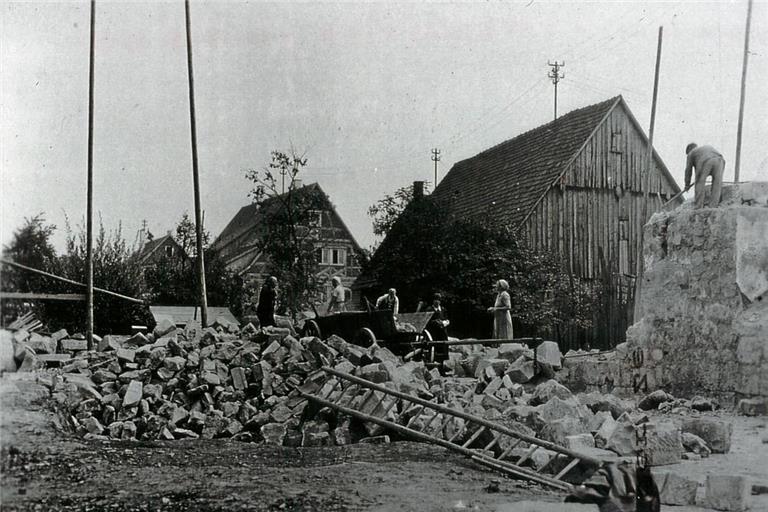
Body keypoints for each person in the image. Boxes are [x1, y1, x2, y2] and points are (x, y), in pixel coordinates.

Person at [684, 143, 725, 209]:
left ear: (689, 150)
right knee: (717, 185)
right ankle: (713, 206)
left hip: (705, 161)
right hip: (720, 160)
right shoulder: (704, 148)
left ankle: (698, 206)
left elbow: (688, 170)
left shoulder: (691, 153)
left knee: (699, 183)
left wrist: (687, 184)